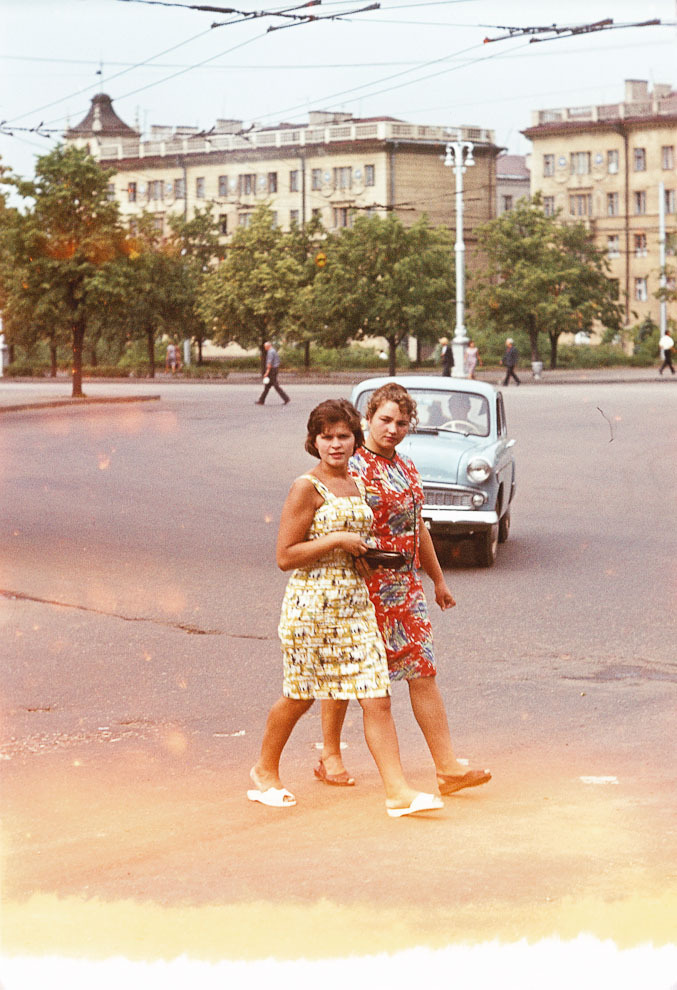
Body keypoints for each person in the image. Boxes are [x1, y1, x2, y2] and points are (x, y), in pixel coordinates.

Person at [247, 398, 444, 819]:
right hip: (312, 607)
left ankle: (398, 792)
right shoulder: (306, 487)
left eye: (343, 436)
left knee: (377, 697)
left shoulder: (356, 485)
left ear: (356, 439)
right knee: (299, 696)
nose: (335, 444)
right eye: (326, 437)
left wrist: (365, 555)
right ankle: (264, 771)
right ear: (314, 441)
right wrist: (337, 541)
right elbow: (285, 555)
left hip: (355, 604)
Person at [318, 384, 491, 798]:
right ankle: (330, 755)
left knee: (423, 672)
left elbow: (417, 527)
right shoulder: (352, 468)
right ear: (368, 419)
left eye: (401, 422)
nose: (392, 429)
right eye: (385, 420)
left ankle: (447, 768)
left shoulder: (407, 466)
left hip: (405, 586)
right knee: (349, 672)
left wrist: (438, 580)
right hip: (361, 586)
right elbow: (329, 522)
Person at [256, 341, 290, 405]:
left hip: (272, 371)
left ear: (268, 346)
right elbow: (278, 361)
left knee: (275, 385)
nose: (265, 348)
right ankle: (261, 400)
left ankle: (286, 398)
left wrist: (267, 372)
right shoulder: (274, 351)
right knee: (267, 386)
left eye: (265, 347)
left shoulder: (270, 352)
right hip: (275, 369)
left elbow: (269, 363)